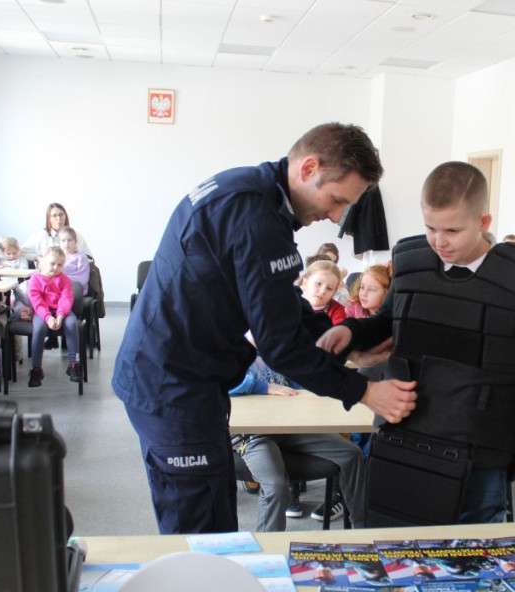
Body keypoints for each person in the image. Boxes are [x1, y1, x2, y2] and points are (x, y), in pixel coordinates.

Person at [112, 122, 416, 535]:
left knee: (213, 512)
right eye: (336, 199)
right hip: (172, 386)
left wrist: (346, 347)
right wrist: (364, 392)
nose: (335, 216)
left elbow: (276, 300)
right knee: (199, 530)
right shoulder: (256, 216)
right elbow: (281, 345)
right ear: (308, 168)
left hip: (183, 378)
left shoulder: (251, 192)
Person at [318, 161, 515, 524]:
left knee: (471, 564)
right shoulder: (411, 264)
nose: (439, 241)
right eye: (430, 228)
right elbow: (390, 324)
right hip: (405, 436)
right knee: (397, 555)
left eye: (453, 230)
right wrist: (352, 334)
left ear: (484, 222)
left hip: (479, 454)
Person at [229, 356, 364, 531]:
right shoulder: (234, 346)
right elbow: (222, 382)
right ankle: (271, 552)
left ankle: (361, 528)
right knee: (276, 486)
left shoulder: (276, 347)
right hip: (253, 434)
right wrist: (264, 387)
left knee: (351, 454)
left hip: (289, 426)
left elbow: (297, 382)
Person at [27, 247, 82, 386]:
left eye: (60, 265)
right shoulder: (35, 279)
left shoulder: (65, 280)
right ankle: (36, 369)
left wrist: (60, 316)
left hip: (62, 312)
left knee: (71, 323)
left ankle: (73, 364)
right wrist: (48, 318)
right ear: (44, 261)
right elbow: (37, 302)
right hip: (43, 312)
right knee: (39, 328)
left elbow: (66, 299)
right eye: (52, 263)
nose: (56, 267)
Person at [0, 202, 94, 264]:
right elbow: (22, 252)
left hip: (71, 277)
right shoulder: (40, 236)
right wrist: (37, 257)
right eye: (54, 215)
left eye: (61, 215)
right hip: (46, 278)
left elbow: (89, 258)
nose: (59, 219)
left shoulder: (76, 235)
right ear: (49, 219)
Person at [299, 259, 346, 325]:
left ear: (334, 293)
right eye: (318, 284)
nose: (322, 291)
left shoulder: (337, 311)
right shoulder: (290, 303)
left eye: (329, 288)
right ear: (305, 283)